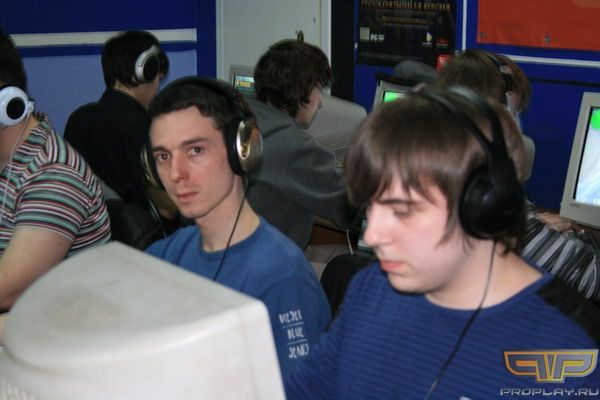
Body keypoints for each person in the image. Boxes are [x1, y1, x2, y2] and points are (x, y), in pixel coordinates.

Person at [285, 87, 600, 399]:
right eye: (371, 206)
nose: (372, 236)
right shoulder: (371, 288)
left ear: (481, 208)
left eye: (401, 211)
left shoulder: (569, 354)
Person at [143, 76, 331, 379]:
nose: (176, 173)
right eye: (163, 156)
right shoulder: (167, 254)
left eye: (195, 150)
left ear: (242, 150)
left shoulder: (283, 279)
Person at [436, 49, 600, 303]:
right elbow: (592, 279)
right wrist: (539, 231)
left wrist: (539, 227)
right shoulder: (493, 205)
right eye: (516, 114)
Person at [0, 29, 111, 316]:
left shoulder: (54, 174)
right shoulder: (7, 160)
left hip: (54, 330)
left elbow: (6, 291)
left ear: (6, 103)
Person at [245, 38, 356, 250]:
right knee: (345, 261)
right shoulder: (296, 147)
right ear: (301, 91)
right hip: (268, 263)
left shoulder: (239, 120)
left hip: (228, 256)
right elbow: (347, 210)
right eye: (318, 89)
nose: (320, 100)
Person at [64, 30, 169, 212]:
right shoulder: (142, 127)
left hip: (85, 228)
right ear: (144, 72)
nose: (157, 90)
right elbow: (161, 206)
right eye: (158, 80)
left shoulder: (78, 119)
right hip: (139, 228)